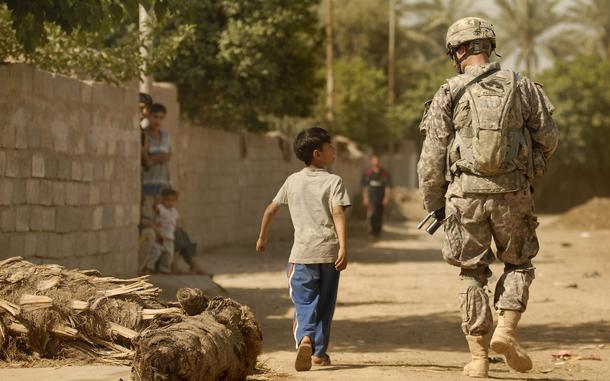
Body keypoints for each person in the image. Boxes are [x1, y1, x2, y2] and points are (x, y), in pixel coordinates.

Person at [417, 17, 559, 378]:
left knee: (471, 272)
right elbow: (549, 138)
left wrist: (434, 202)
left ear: (459, 50)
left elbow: (432, 157)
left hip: (465, 195)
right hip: (513, 193)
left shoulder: (448, 91)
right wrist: (530, 167)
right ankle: (507, 331)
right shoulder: (524, 86)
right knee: (519, 264)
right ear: (489, 46)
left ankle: (478, 357)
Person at [256, 127, 351, 372]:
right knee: (325, 304)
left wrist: (262, 237)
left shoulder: (292, 180)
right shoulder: (334, 181)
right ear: (317, 154)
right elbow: (338, 212)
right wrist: (343, 246)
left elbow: (270, 210)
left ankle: (305, 338)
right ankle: (319, 353)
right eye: (330, 148)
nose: (334, 152)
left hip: (302, 254)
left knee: (304, 301)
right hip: (329, 253)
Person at [141, 103, 172, 221]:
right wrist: (158, 158)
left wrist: (153, 159)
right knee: (148, 218)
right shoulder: (143, 135)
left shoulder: (165, 135)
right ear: (148, 116)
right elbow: (146, 161)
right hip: (147, 185)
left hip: (163, 185)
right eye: (155, 117)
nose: (158, 120)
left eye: (161, 117)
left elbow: (168, 155)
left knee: (164, 221)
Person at [142, 189, 179, 274]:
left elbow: (175, 222)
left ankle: (164, 270)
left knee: (169, 254)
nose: (170, 202)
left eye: (173, 200)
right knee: (156, 252)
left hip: (170, 237)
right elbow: (155, 209)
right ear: (163, 200)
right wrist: (157, 202)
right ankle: (149, 267)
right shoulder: (161, 208)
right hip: (160, 236)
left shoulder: (174, 211)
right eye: (168, 200)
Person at [361, 154, 392, 238]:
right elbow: (365, 187)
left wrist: (386, 197)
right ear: (371, 161)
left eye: (377, 160)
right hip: (371, 199)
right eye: (374, 160)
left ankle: (378, 232)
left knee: (379, 215)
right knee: (371, 215)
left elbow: (388, 187)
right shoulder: (368, 174)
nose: (376, 162)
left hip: (381, 199)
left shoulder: (384, 174)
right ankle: (371, 232)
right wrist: (365, 198)